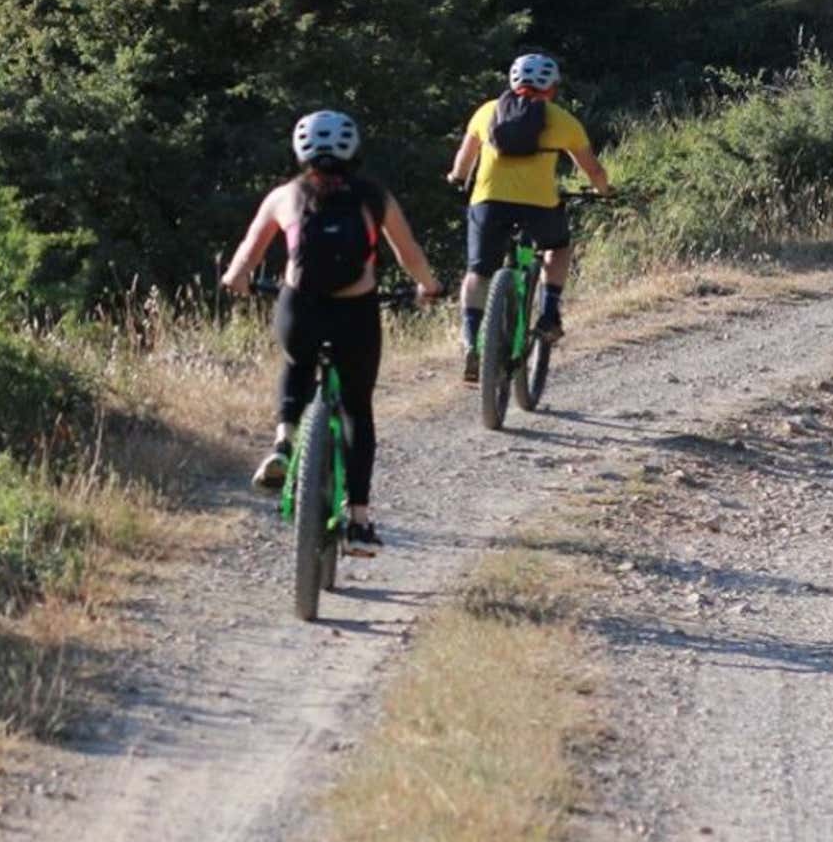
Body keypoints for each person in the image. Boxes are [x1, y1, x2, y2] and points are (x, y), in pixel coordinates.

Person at [219, 109, 444, 553]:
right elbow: (409, 252)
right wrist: (429, 286)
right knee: (358, 409)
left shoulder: (285, 196)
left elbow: (247, 253)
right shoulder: (375, 197)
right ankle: (359, 522)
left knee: (296, 360)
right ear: (354, 150)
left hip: (299, 308)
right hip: (354, 313)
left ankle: (284, 441)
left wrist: (236, 279)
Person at [448, 52, 613, 381]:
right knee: (558, 247)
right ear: (551, 88)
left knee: (478, 272)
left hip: (489, 202)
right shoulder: (562, 120)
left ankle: (471, 338)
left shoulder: (487, 112)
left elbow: (462, 164)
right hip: (538, 204)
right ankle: (549, 313)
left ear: (512, 81)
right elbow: (592, 169)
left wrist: (456, 178)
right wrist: (604, 191)